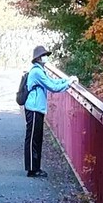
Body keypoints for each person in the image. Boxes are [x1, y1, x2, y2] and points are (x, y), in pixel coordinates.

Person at [21, 45, 75, 177]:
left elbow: (53, 82)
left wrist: (67, 80)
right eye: (44, 55)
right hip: (33, 108)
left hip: (36, 108)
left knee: (36, 138)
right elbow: (53, 87)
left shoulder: (40, 70)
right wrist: (68, 83)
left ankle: (35, 168)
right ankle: (32, 169)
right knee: (33, 138)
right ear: (38, 58)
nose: (46, 57)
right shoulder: (37, 72)